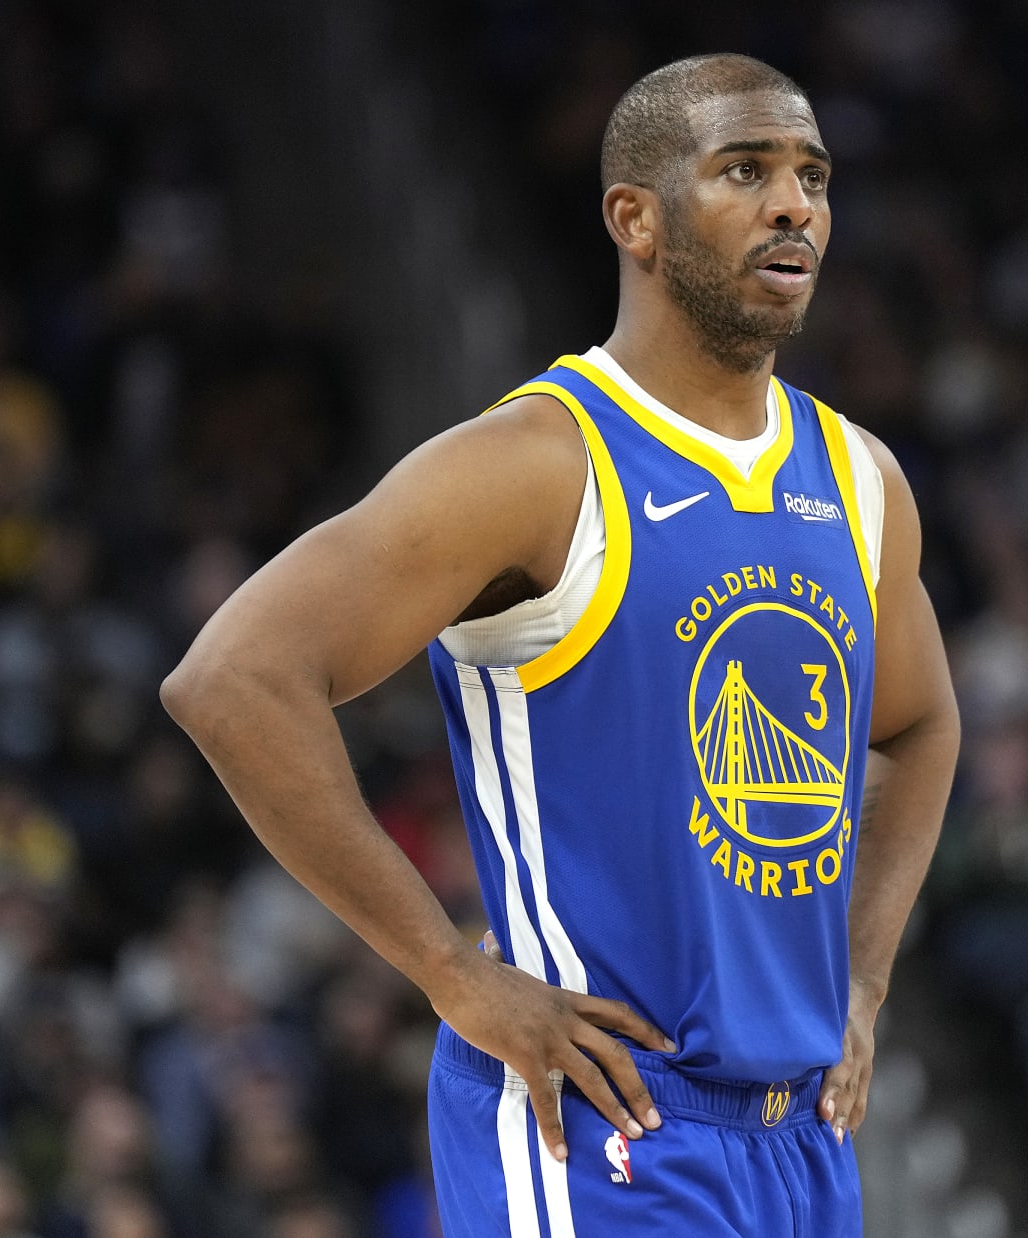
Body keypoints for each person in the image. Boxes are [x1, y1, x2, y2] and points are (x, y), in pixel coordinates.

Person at [162, 52, 958, 1237]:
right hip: (599, 1123)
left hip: (800, 1139)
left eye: (813, 175)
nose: (795, 204)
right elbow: (231, 677)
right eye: (745, 170)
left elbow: (917, 721)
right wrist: (446, 967)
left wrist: (867, 973)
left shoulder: (859, 476)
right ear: (634, 217)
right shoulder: (539, 461)